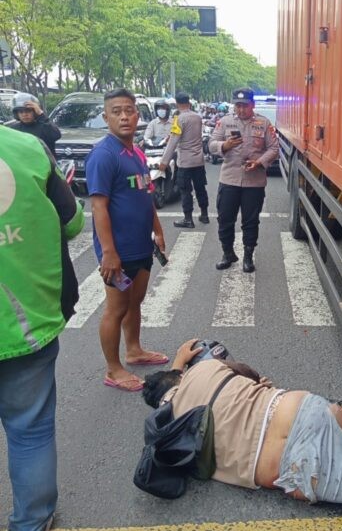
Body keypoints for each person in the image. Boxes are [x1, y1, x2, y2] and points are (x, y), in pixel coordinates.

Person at [142, 340, 342, 506]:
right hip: (303, 409)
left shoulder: (170, 437)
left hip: (297, 465)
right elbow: (249, 373)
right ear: (179, 376)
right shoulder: (202, 369)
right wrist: (179, 363)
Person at [0, 125, 84, 531]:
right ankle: (30, 530)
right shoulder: (26, 147)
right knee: (29, 430)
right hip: (23, 326)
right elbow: (73, 222)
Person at [85, 88, 168, 393]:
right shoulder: (103, 155)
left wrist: (158, 230)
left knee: (135, 302)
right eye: (116, 111)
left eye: (129, 110)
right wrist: (108, 252)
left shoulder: (137, 152)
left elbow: (146, 195)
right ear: (105, 117)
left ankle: (134, 350)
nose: (124, 117)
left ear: (137, 115)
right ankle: (113, 368)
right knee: (116, 308)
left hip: (141, 245)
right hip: (118, 250)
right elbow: (99, 208)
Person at [209, 87, 279, 272]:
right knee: (225, 218)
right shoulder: (225, 122)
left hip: (254, 182)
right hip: (229, 179)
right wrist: (224, 145)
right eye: (238, 105)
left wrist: (259, 162)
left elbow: (274, 148)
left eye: (245, 105)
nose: (241, 109)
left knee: (250, 221)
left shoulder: (263, 123)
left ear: (252, 105)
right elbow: (211, 144)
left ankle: (248, 256)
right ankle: (228, 253)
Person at [159, 91, 209, 227]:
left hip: (185, 162)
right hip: (198, 160)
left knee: (185, 190)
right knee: (200, 188)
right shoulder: (198, 117)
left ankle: (188, 219)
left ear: (177, 104)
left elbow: (173, 142)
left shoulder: (179, 119)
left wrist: (164, 162)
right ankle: (204, 215)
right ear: (189, 102)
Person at [8, 92, 61, 157]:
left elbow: (56, 135)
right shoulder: (13, 129)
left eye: (28, 111)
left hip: (44, 162)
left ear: (35, 111)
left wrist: (41, 114)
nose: (24, 114)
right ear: (16, 114)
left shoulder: (44, 126)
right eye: (21, 112)